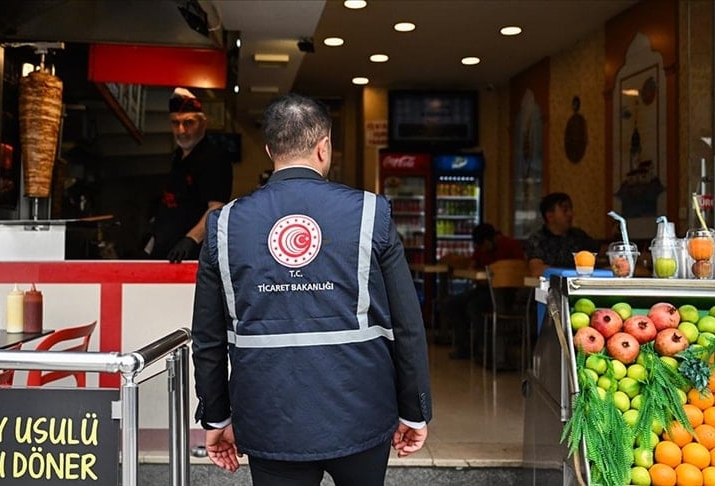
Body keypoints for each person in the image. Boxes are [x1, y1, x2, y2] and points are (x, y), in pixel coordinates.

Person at [191, 93, 432, 485]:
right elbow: (408, 325)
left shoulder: (223, 224)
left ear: (270, 150)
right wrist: (414, 410)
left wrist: (216, 417)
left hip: (268, 418)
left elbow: (207, 336)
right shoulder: (371, 213)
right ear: (325, 147)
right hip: (361, 414)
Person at [145, 87, 233, 263]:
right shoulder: (178, 156)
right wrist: (151, 242)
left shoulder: (214, 159)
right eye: (175, 123)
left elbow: (217, 207)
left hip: (190, 256)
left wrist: (191, 239)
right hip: (163, 251)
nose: (181, 130)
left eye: (189, 122)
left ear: (203, 123)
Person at [444, 223, 525, 360]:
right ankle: (465, 346)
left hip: (506, 293)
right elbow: (472, 265)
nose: (483, 249)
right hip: (483, 290)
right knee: (452, 304)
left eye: (484, 245)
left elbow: (519, 270)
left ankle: (485, 349)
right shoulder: (481, 248)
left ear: (491, 239)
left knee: (474, 307)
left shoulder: (511, 246)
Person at [524, 192, 599, 277]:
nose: (570, 214)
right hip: (551, 284)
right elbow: (537, 270)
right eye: (565, 210)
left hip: (582, 282)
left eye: (570, 209)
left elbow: (599, 252)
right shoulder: (537, 239)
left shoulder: (579, 236)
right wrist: (567, 273)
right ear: (550, 216)